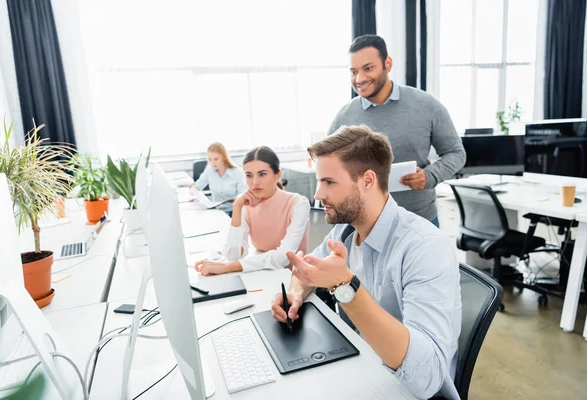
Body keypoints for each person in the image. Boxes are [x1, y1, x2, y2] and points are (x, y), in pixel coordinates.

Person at [270, 125, 461, 400]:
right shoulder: (346, 230)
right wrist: (295, 295)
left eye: (329, 182)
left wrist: (344, 286)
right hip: (360, 367)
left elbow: (425, 378)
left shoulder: (425, 247)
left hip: (405, 389)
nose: (318, 195)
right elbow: (307, 269)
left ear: (368, 181)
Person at [327, 34, 466, 226]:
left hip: (419, 221)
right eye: (353, 71)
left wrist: (429, 176)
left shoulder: (426, 105)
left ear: (388, 64)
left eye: (368, 68)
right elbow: (330, 169)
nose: (360, 78)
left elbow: (456, 153)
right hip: (364, 224)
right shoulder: (343, 118)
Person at [195, 146, 310, 276]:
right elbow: (234, 255)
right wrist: (237, 208)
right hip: (261, 273)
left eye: (262, 174)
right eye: (249, 175)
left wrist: (228, 266)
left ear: (277, 175)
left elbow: (283, 257)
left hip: (292, 278)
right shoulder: (245, 204)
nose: (255, 182)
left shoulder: (298, 204)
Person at [189, 142, 247, 211]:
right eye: (210, 159)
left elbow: (243, 195)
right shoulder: (209, 169)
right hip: (217, 211)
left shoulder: (238, 172)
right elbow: (198, 186)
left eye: (216, 159)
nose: (213, 163)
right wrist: (193, 188)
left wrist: (237, 199)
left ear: (224, 158)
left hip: (234, 211)